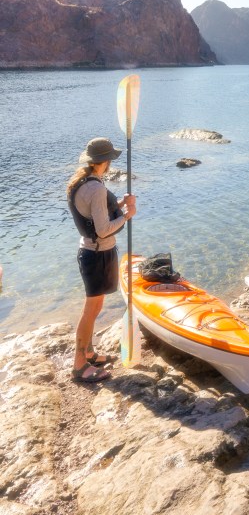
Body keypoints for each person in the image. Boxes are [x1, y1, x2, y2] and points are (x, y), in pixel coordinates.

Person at [67, 137, 136, 383]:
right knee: (90, 311)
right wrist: (127, 215)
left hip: (91, 253)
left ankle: (88, 353)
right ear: (104, 162)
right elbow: (104, 229)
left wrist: (118, 203)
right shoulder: (96, 188)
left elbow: (95, 214)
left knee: (94, 309)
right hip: (97, 255)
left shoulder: (82, 182)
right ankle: (78, 365)